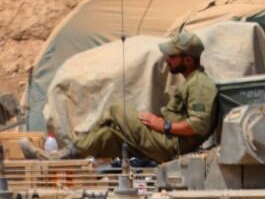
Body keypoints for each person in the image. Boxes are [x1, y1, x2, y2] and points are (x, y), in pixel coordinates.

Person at [21, 30, 218, 162]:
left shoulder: (200, 84)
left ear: (188, 59)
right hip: (167, 139)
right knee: (110, 136)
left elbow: (197, 125)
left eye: (172, 56)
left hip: (172, 145)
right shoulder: (191, 81)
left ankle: (72, 146)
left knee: (116, 111)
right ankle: (56, 158)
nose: (167, 60)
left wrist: (162, 125)